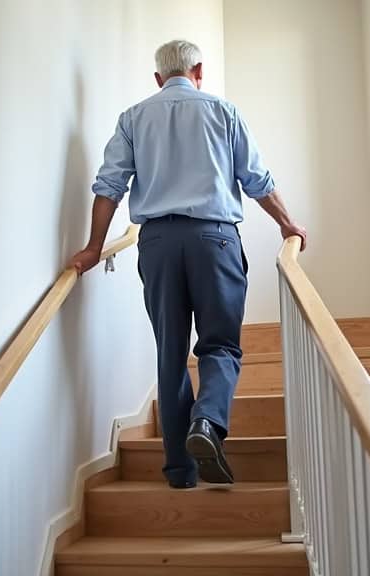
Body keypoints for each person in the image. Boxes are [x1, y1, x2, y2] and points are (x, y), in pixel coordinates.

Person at [69, 39, 307, 489]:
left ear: (158, 79)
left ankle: (179, 470)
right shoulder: (223, 112)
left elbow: (109, 187)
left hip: (157, 242)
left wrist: (92, 247)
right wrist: (288, 224)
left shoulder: (134, 117)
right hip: (214, 239)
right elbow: (257, 180)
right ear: (200, 70)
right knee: (220, 345)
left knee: (170, 352)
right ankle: (208, 422)